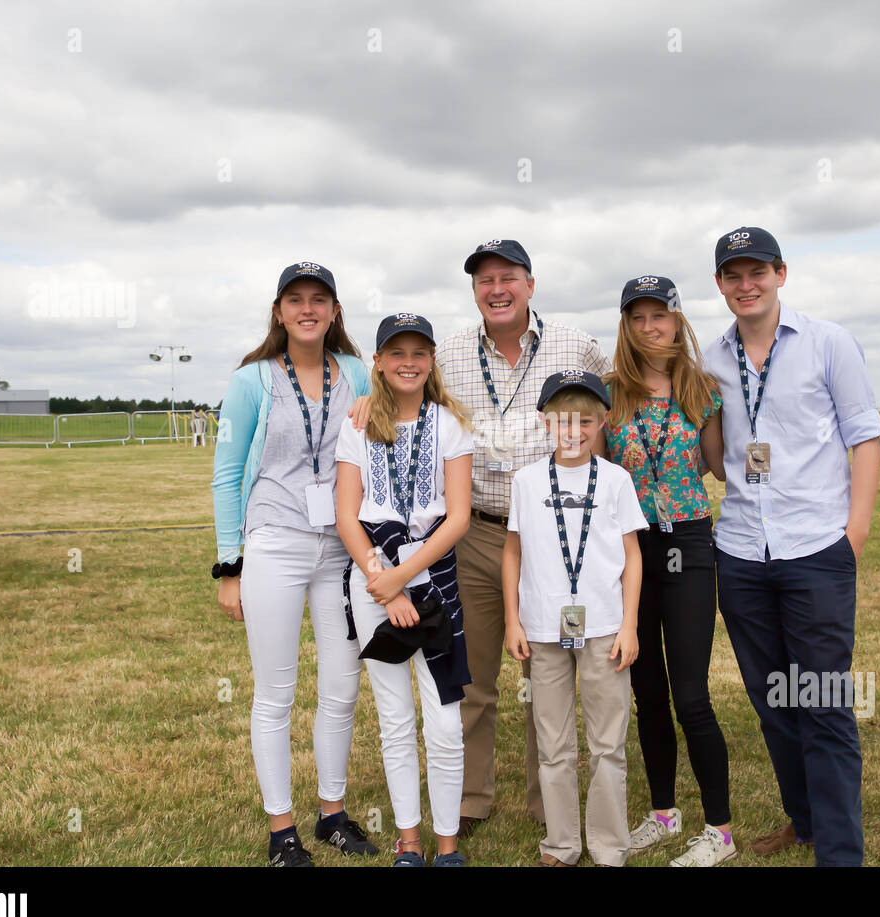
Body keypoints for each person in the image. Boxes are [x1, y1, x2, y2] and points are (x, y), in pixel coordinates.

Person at [702, 227, 880, 866]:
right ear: (720, 285)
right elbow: (720, 461)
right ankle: (803, 822)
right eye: (733, 275)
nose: (745, 285)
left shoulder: (829, 343)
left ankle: (839, 853)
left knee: (824, 703)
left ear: (781, 273)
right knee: (773, 700)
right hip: (743, 551)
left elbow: (865, 436)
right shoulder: (713, 360)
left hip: (816, 547)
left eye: (757, 272)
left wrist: (853, 534)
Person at [434, 239, 609, 837]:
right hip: (478, 531)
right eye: (484, 280)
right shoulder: (449, 354)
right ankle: (471, 797)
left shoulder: (575, 346)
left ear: (531, 284)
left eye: (508, 276)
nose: (497, 288)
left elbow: (612, 409)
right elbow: (406, 402)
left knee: (550, 679)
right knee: (475, 677)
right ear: (474, 291)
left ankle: (549, 801)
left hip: (557, 533)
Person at [211, 261, 379, 867]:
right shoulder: (251, 379)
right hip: (275, 542)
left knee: (341, 683)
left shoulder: (358, 372)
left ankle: (331, 812)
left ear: (335, 311)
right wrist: (229, 565)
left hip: (341, 544)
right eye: (295, 300)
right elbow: (227, 475)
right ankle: (282, 829)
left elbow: (382, 438)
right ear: (279, 311)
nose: (308, 309)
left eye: (320, 299)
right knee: (276, 691)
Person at [597, 275, 736, 867]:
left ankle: (719, 832)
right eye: (639, 317)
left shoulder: (703, 390)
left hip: (689, 545)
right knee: (646, 692)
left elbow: (721, 466)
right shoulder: (609, 392)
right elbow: (600, 475)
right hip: (630, 550)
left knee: (690, 694)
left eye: (661, 315)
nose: (650, 326)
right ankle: (662, 813)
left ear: (678, 320)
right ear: (626, 325)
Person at [336, 313, 474, 867]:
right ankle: (409, 843)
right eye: (397, 352)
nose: (409, 362)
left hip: (432, 577)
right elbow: (347, 515)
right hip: (372, 580)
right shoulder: (358, 423)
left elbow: (458, 517)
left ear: (432, 359)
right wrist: (384, 582)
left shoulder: (449, 423)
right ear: (379, 361)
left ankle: (447, 845)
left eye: (419, 351)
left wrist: (405, 576)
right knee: (395, 720)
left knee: (443, 721)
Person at [503, 370, 645, 866]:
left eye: (585, 420)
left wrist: (629, 625)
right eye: (562, 419)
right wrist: (512, 620)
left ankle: (608, 846)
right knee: (552, 740)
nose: (573, 429)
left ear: (602, 421)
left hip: (604, 628)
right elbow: (512, 553)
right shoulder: (525, 481)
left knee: (608, 742)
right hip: (543, 627)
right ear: (545, 422)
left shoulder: (616, 480)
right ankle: (561, 844)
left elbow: (632, 556)